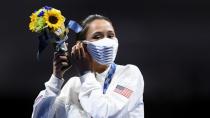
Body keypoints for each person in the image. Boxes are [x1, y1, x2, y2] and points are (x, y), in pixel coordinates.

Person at [31, 14, 144, 118]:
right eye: (97, 36)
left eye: (110, 36)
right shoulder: (73, 86)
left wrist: (85, 74)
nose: (107, 42)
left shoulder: (129, 73)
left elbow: (104, 113)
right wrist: (56, 79)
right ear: (81, 46)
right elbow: (39, 116)